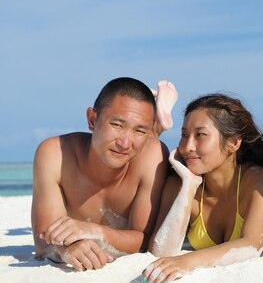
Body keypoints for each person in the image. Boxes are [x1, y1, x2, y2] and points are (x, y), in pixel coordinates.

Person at [31, 78, 176, 271]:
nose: (125, 143)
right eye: (117, 125)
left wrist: (94, 232)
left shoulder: (153, 157)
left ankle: (157, 125)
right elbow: (43, 241)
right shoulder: (55, 155)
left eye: (140, 130)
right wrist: (66, 248)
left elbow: (144, 240)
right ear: (92, 120)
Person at [142, 94, 263, 283]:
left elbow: (252, 244)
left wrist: (189, 261)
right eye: (184, 135)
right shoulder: (177, 183)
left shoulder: (256, 179)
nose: (188, 147)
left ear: (234, 143)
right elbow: (161, 252)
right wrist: (189, 185)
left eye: (200, 135)